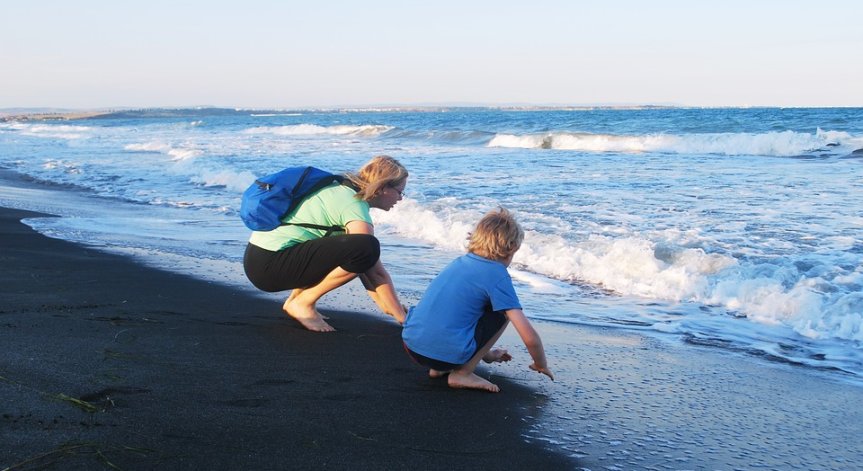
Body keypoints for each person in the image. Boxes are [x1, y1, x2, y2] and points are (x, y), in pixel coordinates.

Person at [243, 155, 408, 332]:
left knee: (353, 248)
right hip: (270, 267)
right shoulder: (353, 204)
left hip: (259, 259)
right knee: (366, 246)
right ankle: (303, 303)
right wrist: (402, 318)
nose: (400, 199)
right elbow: (371, 266)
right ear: (382, 187)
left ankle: (297, 300)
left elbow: (366, 267)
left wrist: (389, 307)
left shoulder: (340, 188)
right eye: (400, 192)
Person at [401, 208, 554, 392]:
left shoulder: (459, 262)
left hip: (412, 347)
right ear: (512, 248)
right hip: (443, 354)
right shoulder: (497, 274)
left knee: (462, 309)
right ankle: (462, 373)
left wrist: (488, 355)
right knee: (503, 313)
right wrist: (540, 363)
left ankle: (440, 369)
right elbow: (529, 336)